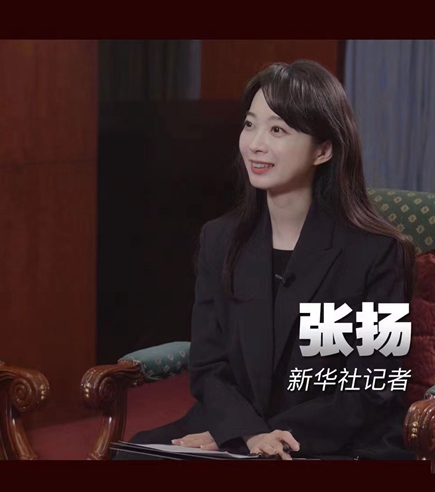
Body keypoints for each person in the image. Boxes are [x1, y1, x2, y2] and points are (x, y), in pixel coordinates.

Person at [118, 60, 416, 460]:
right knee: (133, 456)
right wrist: (243, 431)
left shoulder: (376, 252)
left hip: (334, 438)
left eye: (278, 130)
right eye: (250, 124)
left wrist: (264, 436)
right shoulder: (219, 240)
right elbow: (209, 365)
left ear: (323, 150)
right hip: (233, 426)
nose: (255, 144)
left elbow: (371, 385)